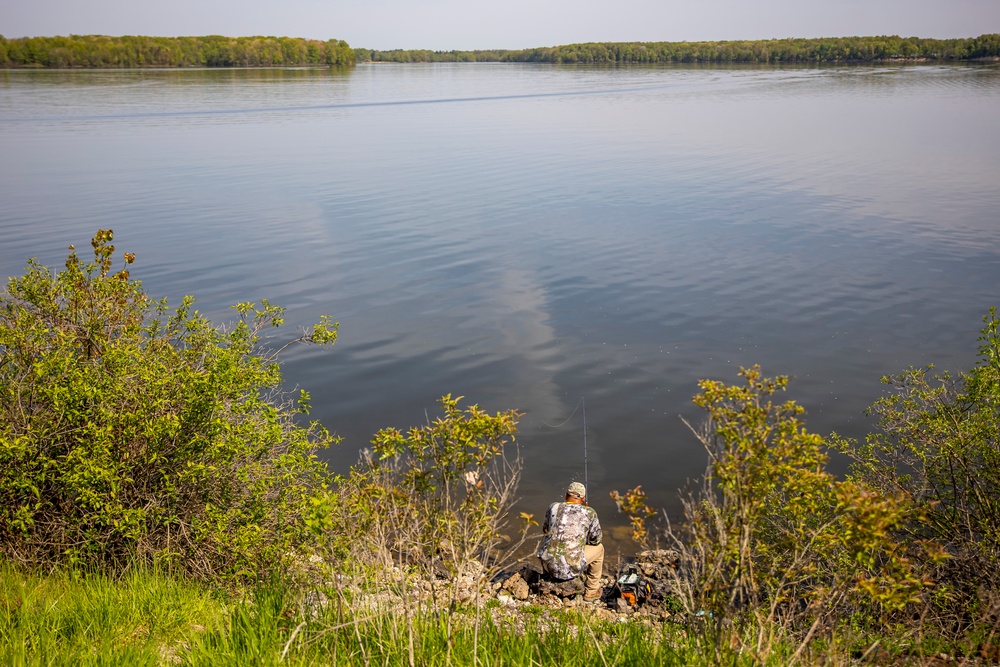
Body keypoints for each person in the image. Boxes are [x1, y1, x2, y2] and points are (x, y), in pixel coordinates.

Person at [537, 481, 604, 602]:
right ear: (583, 499)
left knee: (548, 537)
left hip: (548, 565)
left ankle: (548, 577)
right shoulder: (590, 513)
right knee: (600, 549)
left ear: (565, 495)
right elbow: (596, 540)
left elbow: (545, 529)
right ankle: (591, 591)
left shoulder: (553, 507)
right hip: (570, 569)